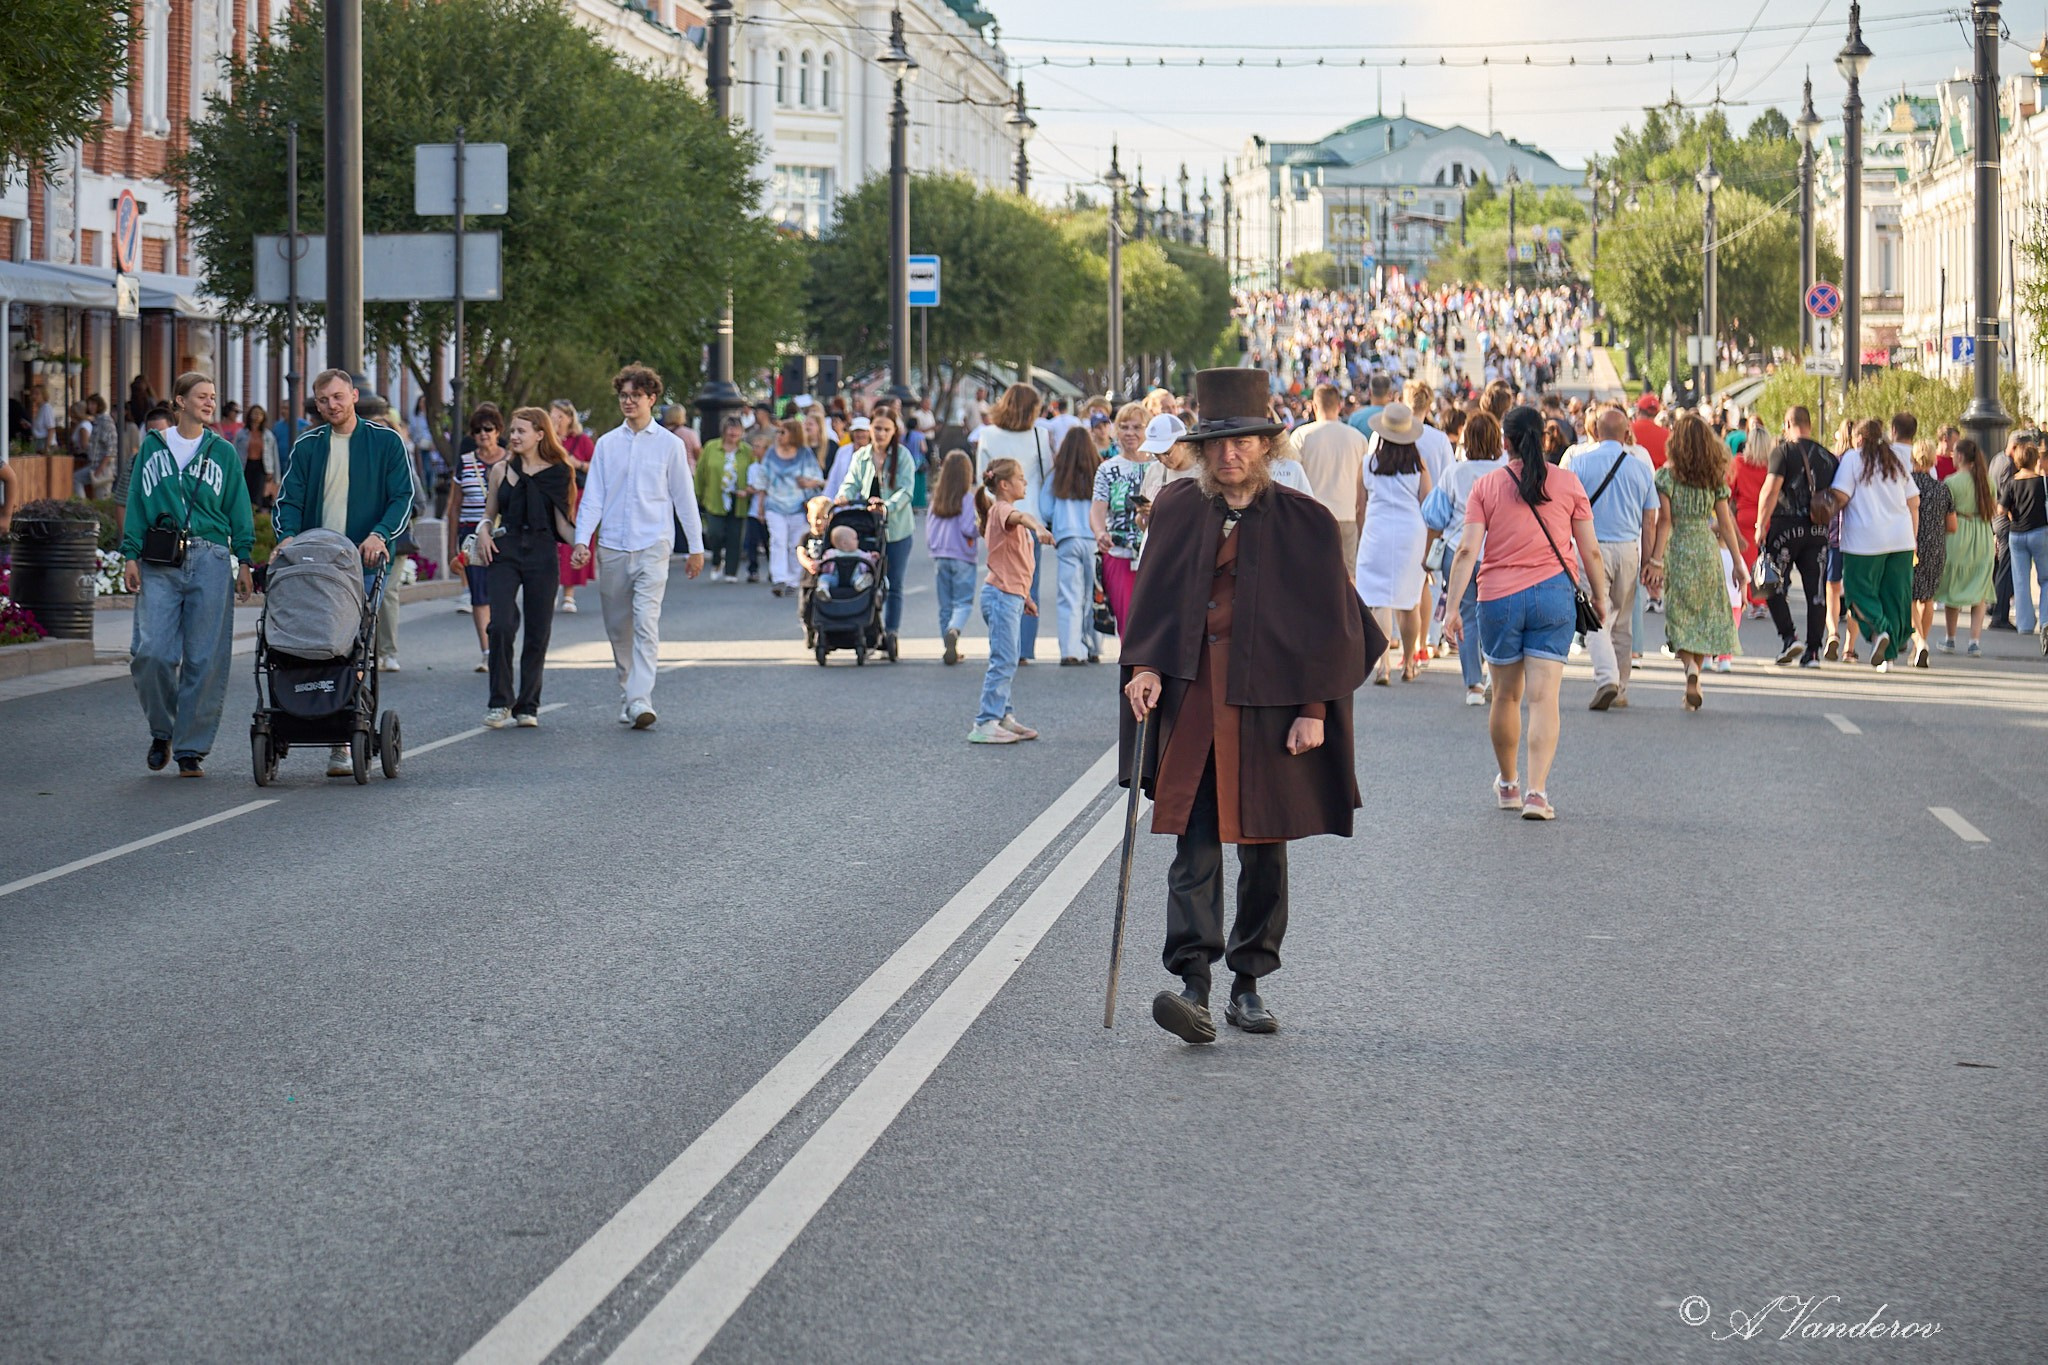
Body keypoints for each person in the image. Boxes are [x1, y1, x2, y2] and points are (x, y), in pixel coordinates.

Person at [1120, 367, 1379, 1041]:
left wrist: (1316, 708)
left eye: (1244, 441)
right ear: (1202, 449)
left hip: (1270, 707)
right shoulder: (1177, 509)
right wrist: (1146, 665)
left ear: (1268, 445)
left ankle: (1248, 982)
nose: (1230, 455)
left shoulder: (1306, 523)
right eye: (1217, 443)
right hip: (1198, 704)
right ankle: (1194, 984)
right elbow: (1154, 600)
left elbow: (1335, 625)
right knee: (1194, 842)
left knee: (1265, 851)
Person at [1442, 405, 1608, 819]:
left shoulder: (1486, 486)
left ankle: (1509, 784)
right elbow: (1589, 549)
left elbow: (1466, 551)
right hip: (1554, 597)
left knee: (1506, 696)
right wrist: (1600, 595)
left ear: (1506, 442)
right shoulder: (1568, 484)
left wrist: (1451, 609)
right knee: (1543, 698)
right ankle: (1537, 793)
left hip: (1498, 598)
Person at [272, 368, 415, 774]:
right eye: (323, 401)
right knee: (310, 638)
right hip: (313, 564)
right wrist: (286, 537)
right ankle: (303, 710)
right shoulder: (308, 446)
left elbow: (402, 496)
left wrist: (379, 535)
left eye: (337, 397)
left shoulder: (384, 441)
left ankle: (344, 734)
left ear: (353, 395)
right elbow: (289, 500)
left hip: (363, 560)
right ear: (316, 405)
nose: (331, 406)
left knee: (353, 645)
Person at [118, 372, 255, 777]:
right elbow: (137, 503)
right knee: (152, 653)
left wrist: (244, 560)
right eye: (202, 396)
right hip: (159, 560)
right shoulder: (152, 448)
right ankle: (163, 730)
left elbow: (239, 508)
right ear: (179, 401)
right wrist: (129, 554)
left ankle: (190, 748)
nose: (210, 402)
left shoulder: (223, 452)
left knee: (203, 659)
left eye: (213, 397)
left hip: (211, 558)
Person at [569, 363, 705, 729]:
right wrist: (582, 539)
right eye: (623, 396)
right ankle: (629, 691)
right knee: (618, 626)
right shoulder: (607, 444)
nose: (628, 402)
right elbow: (593, 496)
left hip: (653, 544)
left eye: (636, 396)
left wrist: (695, 547)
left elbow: (684, 498)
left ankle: (641, 698)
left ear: (652, 398)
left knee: (646, 621)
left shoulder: (670, 445)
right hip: (613, 545)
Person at [473, 407, 576, 728]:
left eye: (521, 431)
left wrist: (582, 546)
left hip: (543, 553)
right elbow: (489, 514)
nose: (514, 436)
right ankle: (499, 702)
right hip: (506, 550)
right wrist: (483, 531)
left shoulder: (560, 471)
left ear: (540, 435)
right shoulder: (500, 470)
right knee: (500, 625)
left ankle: (527, 705)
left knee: (538, 631)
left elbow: (562, 520)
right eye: (513, 431)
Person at [1646, 413, 1749, 710]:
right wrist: (1739, 564)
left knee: (1680, 618)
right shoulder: (1713, 478)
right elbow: (1726, 524)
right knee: (1703, 618)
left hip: (1678, 549)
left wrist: (1655, 559)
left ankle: (1689, 668)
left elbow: (1664, 521)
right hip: (1706, 548)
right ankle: (1696, 675)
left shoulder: (1666, 477)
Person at [1560, 407, 1660, 709]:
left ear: (1596, 431)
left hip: (1591, 547)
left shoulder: (1579, 463)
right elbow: (1650, 519)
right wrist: (1649, 560)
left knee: (1593, 614)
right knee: (1623, 621)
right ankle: (1622, 686)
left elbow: (1564, 509)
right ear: (1626, 433)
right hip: (1629, 548)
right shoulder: (1641, 468)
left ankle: (1607, 677)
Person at [969, 457, 1052, 745]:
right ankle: (985, 721)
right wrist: (1038, 528)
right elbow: (1022, 519)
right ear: (1004, 484)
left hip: (1010, 595)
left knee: (1007, 658)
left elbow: (1015, 562)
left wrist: (1026, 596)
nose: (1025, 482)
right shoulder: (1004, 509)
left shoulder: (1001, 510)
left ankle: (1003, 715)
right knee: (1004, 660)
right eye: (1020, 477)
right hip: (1002, 596)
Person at [1827, 418, 1920, 672]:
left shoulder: (1852, 460)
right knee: (1893, 596)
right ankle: (1887, 657)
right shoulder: (1895, 459)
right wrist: (1913, 539)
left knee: (1858, 593)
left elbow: (1842, 495)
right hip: (1900, 539)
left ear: (1858, 439)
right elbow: (1914, 501)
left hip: (1864, 541)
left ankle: (1880, 629)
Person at [974, 384, 1056, 664]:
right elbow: (1046, 477)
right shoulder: (1039, 435)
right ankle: (1023, 648)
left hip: (998, 517)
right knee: (1027, 581)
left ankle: (1003, 640)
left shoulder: (987, 435)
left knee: (999, 579)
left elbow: (981, 481)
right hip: (1030, 517)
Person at [1752, 405, 1837, 668]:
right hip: (1818, 530)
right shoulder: (1827, 457)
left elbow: (1770, 490)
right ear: (1809, 425)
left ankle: (1789, 637)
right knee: (1816, 591)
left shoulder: (1783, 452)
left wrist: (1760, 524)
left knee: (1770, 582)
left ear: (1788, 424)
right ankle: (1813, 651)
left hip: (1785, 528)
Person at [1354, 402, 1433, 684]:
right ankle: (1410, 662)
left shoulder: (1369, 463)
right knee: (1408, 602)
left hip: (1377, 530)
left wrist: (1365, 534)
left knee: (1378, 602)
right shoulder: (1418, 464)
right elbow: (1428, 502)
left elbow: (1359, 507)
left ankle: (1383, 664)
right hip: (1410, 534)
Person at [1435, 409, 1504, 705]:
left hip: (1459, 548)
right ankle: (1496, 671)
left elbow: (1436, 513)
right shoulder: (1505, 471)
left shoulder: (1455, 471)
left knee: (1465, 615)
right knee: (1496, 615)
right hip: (1498, 549)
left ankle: (1473, 684)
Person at [835, 408, 916, 640]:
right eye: (877, 428)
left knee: (895, 583)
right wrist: (842, 497)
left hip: (898, 529)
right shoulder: (861, 456)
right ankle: (871, 628)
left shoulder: (902, 456)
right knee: (867, 577)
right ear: (870, 428)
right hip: (868, 527)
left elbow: (906, 491)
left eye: (886, 429)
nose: (880, 433)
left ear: (894, 431)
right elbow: (850, 482)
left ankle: (891, 632)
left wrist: (887, 506)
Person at [445, 404, 506, 672]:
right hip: (471, 535)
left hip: (503, 532)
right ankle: (487, 652)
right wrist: (452, 547)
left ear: (498, 431)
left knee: (502, 592)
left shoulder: (511, 459)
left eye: (488, 429)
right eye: (477, 430)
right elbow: (454, 505)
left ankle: (502, 644)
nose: (483, 434)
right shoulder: (466, 462)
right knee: (479, 594)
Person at [1287, 383, 1371, 567]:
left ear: (1314, 406)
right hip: (1347, 515)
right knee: (1348, 575)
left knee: (1312, 572)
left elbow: (1291, 482)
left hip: (1311, 516)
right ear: (1339, 406)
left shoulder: (1300, 436)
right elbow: (1362, 486)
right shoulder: (1358, 439)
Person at [1092, 402, 1155, 632]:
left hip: (1156, 554)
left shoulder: (1159, 466)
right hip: (1120, 553)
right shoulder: (1108, 469)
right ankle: (1130, 668)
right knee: (1128, 624)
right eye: (1124, 427)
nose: (1130, 433)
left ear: (1147, 430)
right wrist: (1100, 532)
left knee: (1154, 624)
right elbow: (1098, 507)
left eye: (1137, 427)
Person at [1043, 426, 1103, 666]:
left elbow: (1045, 509)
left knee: (1069, 596)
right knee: (1094, 595)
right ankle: (1094, 645)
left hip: (1067, 538)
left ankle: (1070, 650)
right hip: (1094, 539)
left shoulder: (1056, 474)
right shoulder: (1099, 471)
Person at [1935, 437, 1997, 656]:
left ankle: (1950, 638)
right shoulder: (1987, 481)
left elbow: (1942, 512)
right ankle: (1974, 641)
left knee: (1954, 589)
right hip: (1982, 535)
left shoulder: (1952, 482)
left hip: (1958, 534)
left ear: (1959, 456)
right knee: (1978, 590)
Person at [759, 417, 824, 597]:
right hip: (774, 504)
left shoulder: (804, 453)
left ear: (793, 433)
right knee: (777, 540)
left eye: (783, 432)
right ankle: (779, 578)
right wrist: (760, 506)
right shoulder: (771, 453)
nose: (778, 435)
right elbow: (763, 480)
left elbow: (818, 478)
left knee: (795, 543)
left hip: (798, 505)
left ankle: (794, 580)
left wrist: (808, 482)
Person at [926, 450, 978, 665]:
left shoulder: (937, 498)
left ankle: (948, 646)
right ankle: (954, 630)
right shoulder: (967, 499)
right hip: (963, 557)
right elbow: (968, 528)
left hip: (941, 556)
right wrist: (980, 530)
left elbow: (929, 528)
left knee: (945, 605)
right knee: (963, 602)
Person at [1906, 442, 1954, 668]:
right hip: (1935, 547)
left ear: (1913, 459)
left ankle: (1919, 641)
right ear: (1934, 460)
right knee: (1927, 598)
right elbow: (1952, 525)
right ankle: (1920, 646)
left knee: (1909, 597)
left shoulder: (1907, 485)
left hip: (1911, 544)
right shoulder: (1942, 489)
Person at [693, 413, 754, 584]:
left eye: (737, 429)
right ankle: (716, 560)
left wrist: (749, 490)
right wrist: (697, 494)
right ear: (724, 430)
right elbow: (701, 472)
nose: (733, 433)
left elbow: (755, 474)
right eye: (730, 429)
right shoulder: (711, 447)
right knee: (715, 533)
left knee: (736, 536)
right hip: (715, 497)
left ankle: (731, 571)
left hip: (739, 499)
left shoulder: (747, 451)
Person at [1999, 440, 2047, 647]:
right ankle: (2045, 620)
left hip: (2016, 534)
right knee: (2045, 579)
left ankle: (2025, 624)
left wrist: (2012, 514)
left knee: (2020, 580)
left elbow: (2001, 510)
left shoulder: (2011, 482)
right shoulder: (2043, 482)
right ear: (2035, 459)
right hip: (2039, 532)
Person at [551, 399, 596, 612]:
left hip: (576, 497)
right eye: (553, 415)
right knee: (550, 545)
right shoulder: (546, 440)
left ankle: (569, 594)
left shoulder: (582, 441)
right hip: (550, 496)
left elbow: (597, 467)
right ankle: (549, 590)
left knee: (571, 543)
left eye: (560, 416)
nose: (556, 420)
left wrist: (576, 463)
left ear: (569, 418)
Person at [234, 404, 278, 510]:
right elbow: (234, 451)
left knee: (258, 495)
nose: (257, 416)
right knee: (245, 493)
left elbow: (274, 455)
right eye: (255, 413)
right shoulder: (241, 434)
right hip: (245, 465)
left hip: (261, 467)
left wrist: (275, 476)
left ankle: (257, 518)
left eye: (260, 414)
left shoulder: (268, 435)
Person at [1630, 393, 1668, 468]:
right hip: (1658, 478)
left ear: (1638, 411)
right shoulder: (1667, 435)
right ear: (1656, 413)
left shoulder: (1628, 430)